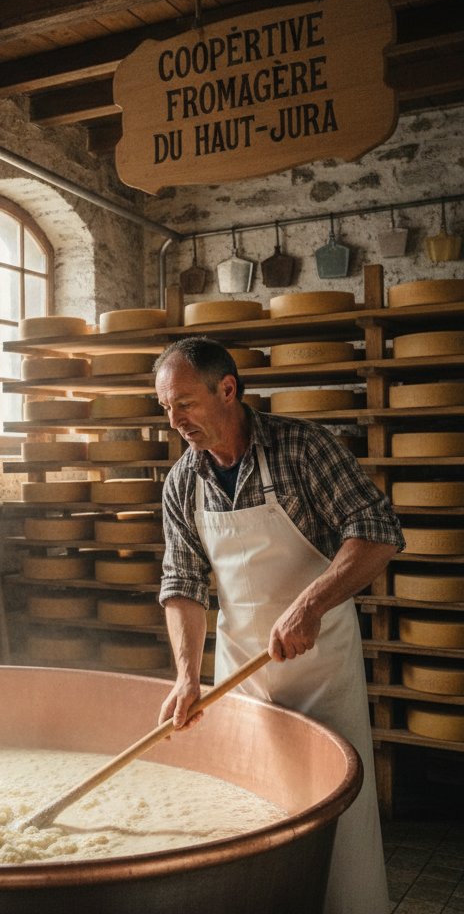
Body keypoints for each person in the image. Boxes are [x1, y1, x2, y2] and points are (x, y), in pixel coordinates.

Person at [154, 336, 403, 914]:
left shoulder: (303, 449)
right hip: (242, 671)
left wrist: (310, 605)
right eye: (165, 407)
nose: (175, 420)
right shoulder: (182, 482)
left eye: (185, 403)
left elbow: (378, 532)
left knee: (336, 813)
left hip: (321, 669)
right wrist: (187, 676)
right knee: (252, 809)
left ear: (228, 389)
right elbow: (182, 583)